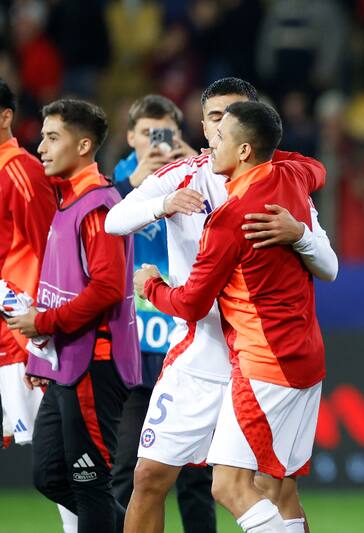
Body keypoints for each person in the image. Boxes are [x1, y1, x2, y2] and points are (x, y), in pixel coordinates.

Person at [106, 78, 336, 533]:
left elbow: (329, 265)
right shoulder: (183, 175)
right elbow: (115, 219)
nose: (218, 128)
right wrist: (163, 204)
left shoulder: (279, 177)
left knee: (272, 489)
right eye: (214, 117)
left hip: (255, 357)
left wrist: (300, 235)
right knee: (148, 477)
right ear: (203, 123)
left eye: (230, 118)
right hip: (202, 356)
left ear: (250, 129)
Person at [8, 98, 140, 533]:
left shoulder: (99, 206)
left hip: (94, 363)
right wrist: (40, 358)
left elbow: (106, 288)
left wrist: (43, 325)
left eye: (52, 137)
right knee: (50, 475)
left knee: (90, 484)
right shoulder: (68, 200)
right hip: (65, 361)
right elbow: (58, 286)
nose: (41, 147)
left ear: (83, 145)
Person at [109, 94, 216, 533]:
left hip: (183, 335)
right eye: (147, 133)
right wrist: (136, 181)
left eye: (166, 133)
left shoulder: (198, 174)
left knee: (195, 476)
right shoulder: (116, 184)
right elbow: (103, 224)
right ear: (131, 137)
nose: (157, 142)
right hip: (135, 345)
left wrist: (196, 162)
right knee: (128, 469)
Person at [0, 79, 77, 533]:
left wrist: (43, 334)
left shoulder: (19, 171)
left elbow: (52, 251)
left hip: (20, 336)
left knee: (57, 460)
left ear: (6, 116)